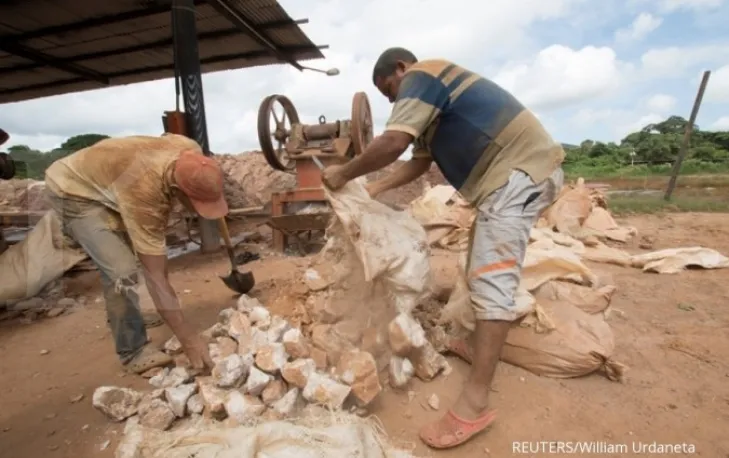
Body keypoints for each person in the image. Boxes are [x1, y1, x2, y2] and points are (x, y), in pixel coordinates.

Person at [321, 48, 565, 449]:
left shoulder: (423, 76)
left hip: (519, 173)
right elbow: (418, 161)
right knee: (477, 266)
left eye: (389, 90)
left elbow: (394, 141)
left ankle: (475, 404)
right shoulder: (431, 112)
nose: (392, 101)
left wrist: (344, 172)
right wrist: (374, 188)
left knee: (492, 281)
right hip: (506, 180)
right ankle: (475, 345)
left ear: (401, 69)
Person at [44, 134, 226, 374]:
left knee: (133, 250)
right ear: (177, 189)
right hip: (73, 190)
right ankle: (132, 351)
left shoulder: (190, 149)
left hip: (112, 179)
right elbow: (156, 275)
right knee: (122, 270)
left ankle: (128, 314)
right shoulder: (144, 192)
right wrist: (189, 339)